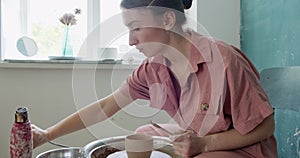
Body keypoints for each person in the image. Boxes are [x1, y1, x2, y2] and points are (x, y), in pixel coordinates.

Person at [32, 0, 278, 157]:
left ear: (168, 20)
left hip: (245, 150)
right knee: (142, 135)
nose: (131, 40)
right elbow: (106, 106)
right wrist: (47, 135)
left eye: (136, 27)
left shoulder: (223, 60)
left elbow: (266, 127)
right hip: (198, 138)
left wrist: (204, 144)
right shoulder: (153, 68)